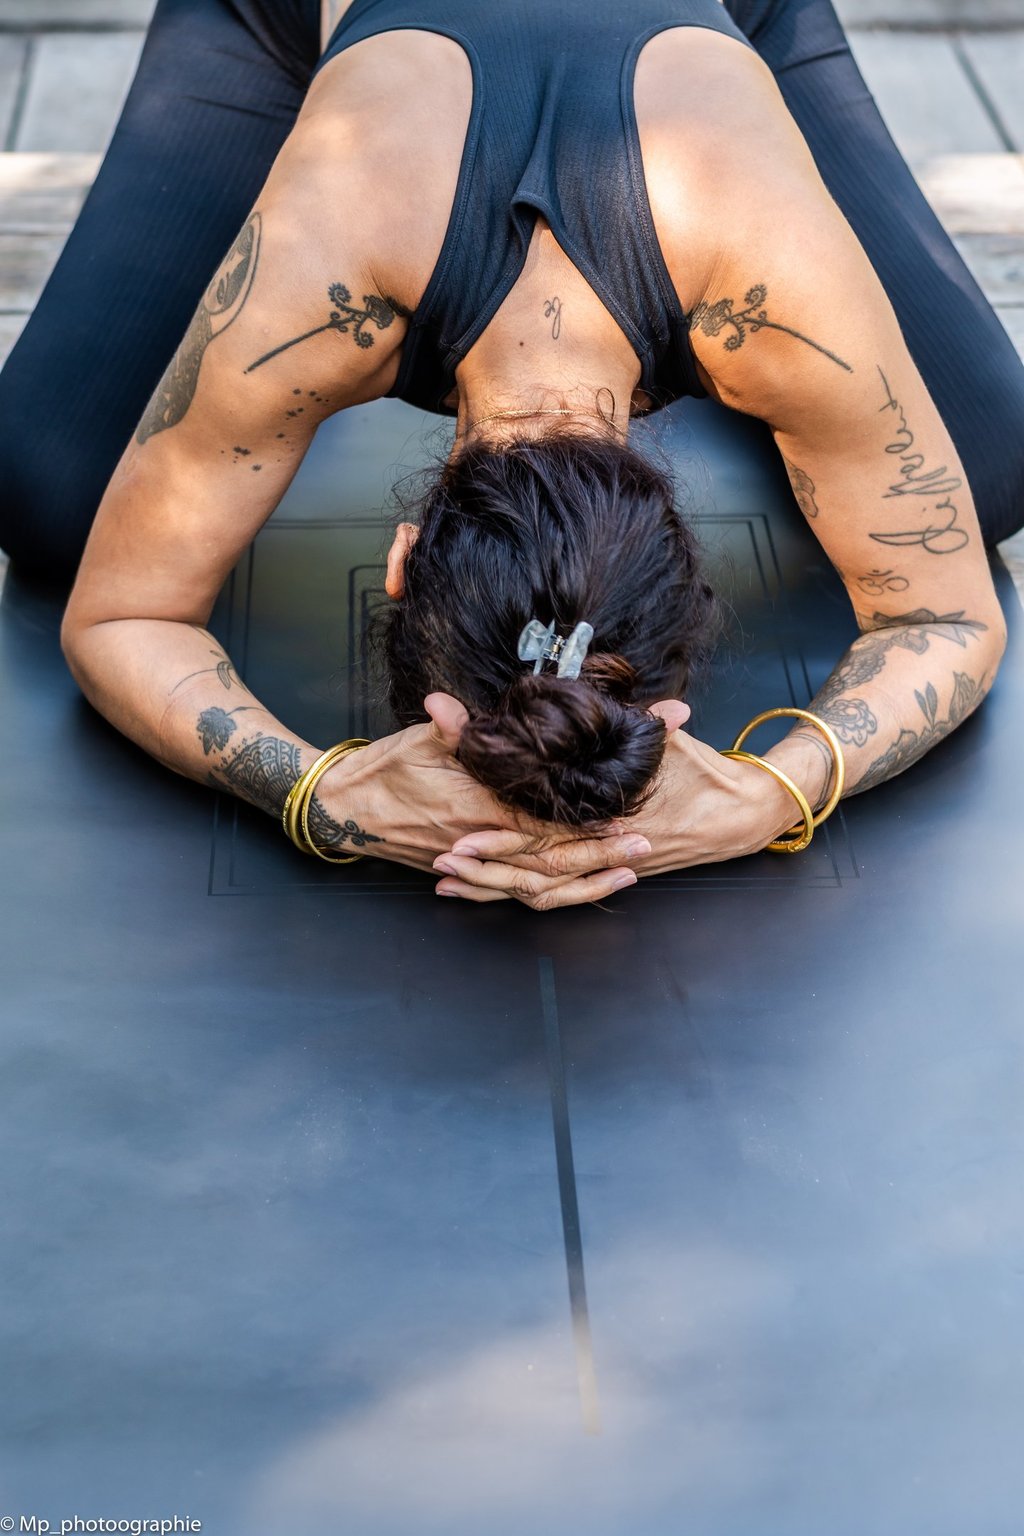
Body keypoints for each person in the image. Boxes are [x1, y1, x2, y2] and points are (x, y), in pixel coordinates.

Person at [1, 0, 1022, 909]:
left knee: (988, 470)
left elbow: (946, 609)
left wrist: (774, 793)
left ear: (397, 562)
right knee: (48, 487)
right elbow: (120, 611)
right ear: (404, 559)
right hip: (297, 25)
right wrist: (319, 791)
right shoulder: (324, 269)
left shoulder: (773, 286)